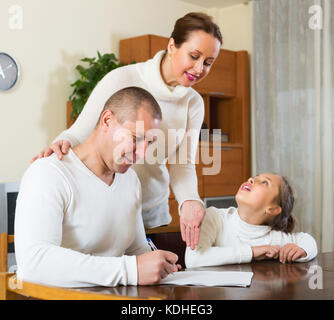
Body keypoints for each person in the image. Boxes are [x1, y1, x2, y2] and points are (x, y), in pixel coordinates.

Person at [32, 12, 223, 250]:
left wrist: (189, 200)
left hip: (153, 211)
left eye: (208, 62)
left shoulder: (193, 103)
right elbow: (81, 131)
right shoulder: (123, 79)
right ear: (172, 45)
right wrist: (57, 147)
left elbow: (182, 164)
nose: (199, 68)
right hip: (107, 207)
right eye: (194, 56)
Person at [15, 87, 181, 288]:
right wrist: (129, 270)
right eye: (136, 138)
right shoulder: (49, 173)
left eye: (149, 142)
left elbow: (136, 250)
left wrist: (160, 266)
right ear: (107, 121)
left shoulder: (130, 180)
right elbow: (34, 263)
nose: (143, 153)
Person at [185, 173, 318, 268]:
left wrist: (302, 250)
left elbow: (308, 240)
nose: (251, 179)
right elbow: (193, 258)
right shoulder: (214, 217)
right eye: (255, 178)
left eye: (265, 182)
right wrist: (252, 252)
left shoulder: (275, 239)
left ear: (272, 209)